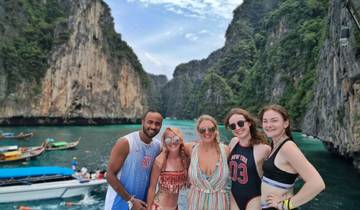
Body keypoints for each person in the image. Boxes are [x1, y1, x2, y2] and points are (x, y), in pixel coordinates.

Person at [259, 105, 325, 210]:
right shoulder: (274, 145)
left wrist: (285, 205)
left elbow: (317, 183)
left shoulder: (287, 147)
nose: (268, 125)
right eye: (265, 121)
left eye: (274, 120)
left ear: (286, 123)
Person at [105, 110, 163, 210]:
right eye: (150, 122)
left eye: (157, 124)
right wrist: (130, 200)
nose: (153, 127)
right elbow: (109, 175)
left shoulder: (158, 147)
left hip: (141, 205)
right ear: (142, 122)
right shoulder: (126, 142)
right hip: (118, 205)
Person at [224, 108, 271, 210]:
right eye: (233, 126)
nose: (237, 128)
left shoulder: (263, 149)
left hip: (255, 198)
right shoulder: (233, 142)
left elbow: (279, 168)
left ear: (249, 123)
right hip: (234, 197)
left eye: (240, 123)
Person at [185, 115, 231, 210]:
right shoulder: (190, 149)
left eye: (211, 129)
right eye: (203, 130)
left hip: (220, 205)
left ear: (216, 130)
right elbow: (170, 146)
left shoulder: (226, 151)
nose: (207, 132)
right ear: (198, 132)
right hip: (195, 205)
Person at [146, 127, 189, 210]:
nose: (172, 142)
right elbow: (152, 188)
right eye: (168, 140)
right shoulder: (160, 161)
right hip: (158, 207)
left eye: (176, 139)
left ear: (180, 140)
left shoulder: (185, 160)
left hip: (175, 208)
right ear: (164, 143)